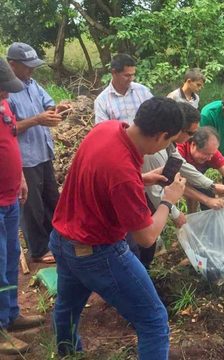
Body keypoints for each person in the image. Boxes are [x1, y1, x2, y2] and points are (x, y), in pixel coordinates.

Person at [50, 97, 187, 359]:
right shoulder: (122, 172)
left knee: (67, 307)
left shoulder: (108, 129)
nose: (167, 146)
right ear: (161, 135)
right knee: (154, 321)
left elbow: (102, 173)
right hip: (96, 252)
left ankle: (67, 354)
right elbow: (146, 237)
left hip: (62, 238)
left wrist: (142, 178)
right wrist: (168, 200)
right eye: (169, 142)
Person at [140, 103, 224, 268]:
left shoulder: (169, 144)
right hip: (141, 197)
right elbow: (155, 190)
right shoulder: (154, 151)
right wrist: (175, 213)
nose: (192, 138)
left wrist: (210, 185)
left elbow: (180, 164)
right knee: (144, 241)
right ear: (178, 129)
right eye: (190, 133)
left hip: (149, 193)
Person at [7, 42, 71, 264]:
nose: (31, 70)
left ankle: (58, 240)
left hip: (43, 152)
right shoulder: (7, 92)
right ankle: (38, 249)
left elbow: (48, 107)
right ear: (12, 65)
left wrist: (58, 110)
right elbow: (9, 128)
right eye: (27, 66)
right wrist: (37, 119)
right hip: (25, 158)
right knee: (31, 206)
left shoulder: (33, 84)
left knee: (51, 199)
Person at [0, 58, 44, 356]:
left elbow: (10, 137)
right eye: (3, 89)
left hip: (11, 195)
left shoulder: (4, 105)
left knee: (10, 260)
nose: (7, 94)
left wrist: (21, 180)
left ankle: (10, 315)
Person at [94, 54, 153, 124]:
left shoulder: (143, 92)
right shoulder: (102, 101)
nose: (132, 79)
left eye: (133, 74)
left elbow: (155, 116)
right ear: (114, 73)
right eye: (127, 75)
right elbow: (103, 131)